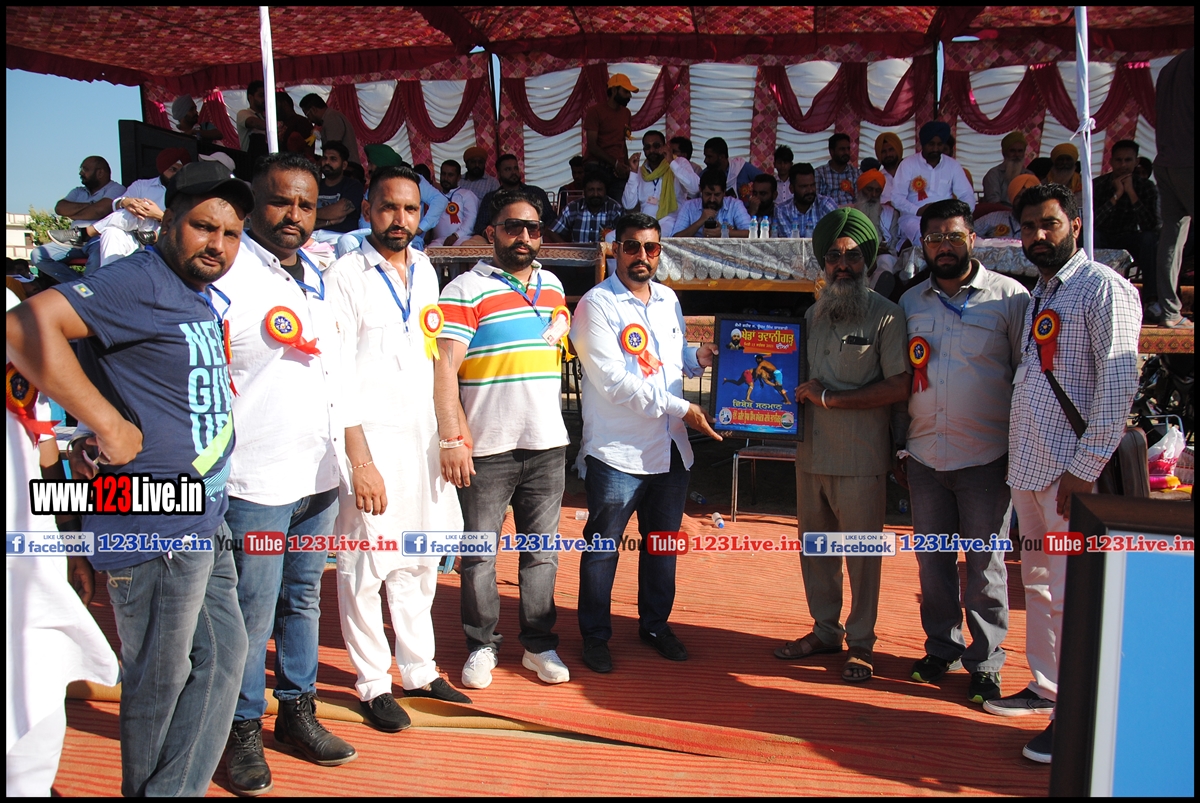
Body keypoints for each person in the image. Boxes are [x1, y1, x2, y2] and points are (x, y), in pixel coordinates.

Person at [7, 159, 255, 795]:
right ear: (167, 222)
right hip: (151, 519)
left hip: (201, 516)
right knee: (160, 682)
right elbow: (21, 326)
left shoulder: (189, 290)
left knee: (223, 662)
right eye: (203, 227)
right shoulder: (138, 279)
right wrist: (105, 423)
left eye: (230, 234)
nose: (217, 244)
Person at [209, 153, 356, 795]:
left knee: (302, 600)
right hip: (256, 480)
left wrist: (354, 457)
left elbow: (333, 371)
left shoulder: (317, 274)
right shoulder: (228, 273)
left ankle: (297, 712)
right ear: (253, 204)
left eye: (306, 204)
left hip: (317, 474)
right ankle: (240, 729)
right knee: (250, 611)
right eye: (280, 201)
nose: (294, 214)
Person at [985, 184, 1141, 766]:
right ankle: (1047, 687)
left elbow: (1118, 384)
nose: (1037, 236)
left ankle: (1076, 716)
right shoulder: (1042, 293)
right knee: (1040, 587)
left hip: (1072, 475)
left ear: (1075, 224)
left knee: (1074, 594)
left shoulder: (1103, 288)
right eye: (1028, 227)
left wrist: (1084, 468)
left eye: (1048, 224)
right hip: (1031, 468)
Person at [326, 164, 474, 736]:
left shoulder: (427, 270)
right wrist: (360, 461)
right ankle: (372, 682)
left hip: (421, 443)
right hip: (370, 445)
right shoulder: (345, 275)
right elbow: (336, 376)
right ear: (368, 210)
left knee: (419, 560)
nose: (400, 219)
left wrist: (449, 433)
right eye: (389, 207)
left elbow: (438, 362)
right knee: (365, 567)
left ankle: (418, 669)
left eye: (411, 209)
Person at [571, 212, 721, 673]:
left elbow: (668, 360)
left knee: (662, 546)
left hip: (669, 448)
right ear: (615, 250)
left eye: (651, 248)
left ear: (660, 253)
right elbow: (615, 382)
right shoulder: (596, 305)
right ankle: (595, 636)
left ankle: (655, 625)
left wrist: (698, 357)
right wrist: (683, 408)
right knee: (603, 548)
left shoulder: (668, 299)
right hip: (619, 452)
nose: (642, 256)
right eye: (632, 246)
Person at [435, 189, 572, 689]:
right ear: (491, 232)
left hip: (547, 444)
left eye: (534, 228)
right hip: (486, 448)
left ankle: (539, 645)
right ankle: (482, 645)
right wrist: (452, 437)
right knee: (479, 555)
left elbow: (556, 335)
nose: (525, 237)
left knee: (542, 552)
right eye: (514, 227)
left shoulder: (553, 285)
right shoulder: (463, 290)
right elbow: (444, 368)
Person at [896, 199, 1030, 705]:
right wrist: (900, 448)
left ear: (973, 239)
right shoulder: (911, 302)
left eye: (953, 236)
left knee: (985, 567)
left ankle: (986, 661)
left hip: (986, 459)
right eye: (934, 239)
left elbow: (1024, 375)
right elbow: (902, 379)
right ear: (924, 245)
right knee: (932, 565)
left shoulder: (1010, 298)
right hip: (925, 456)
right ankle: (941, 648)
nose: (944, 246)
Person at [775, 208, 910, 685]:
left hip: (860, 456)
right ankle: (825, 630)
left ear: (867, 261)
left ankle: (862, 643)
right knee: (816, 550)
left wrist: (832, 398)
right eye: (834, 256)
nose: (843, 265)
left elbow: (900, 385)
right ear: (824, 262)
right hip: (811, 454)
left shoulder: (887, 314)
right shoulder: (812, 314)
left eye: (853, 256)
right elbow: (793, 381)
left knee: (861, 555)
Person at [5, 289, 120, 797]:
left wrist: (71, 541)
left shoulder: (10, 311)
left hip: (28, 549)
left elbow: (41, 436)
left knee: (39, 689)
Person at [51, 148, 191, 271]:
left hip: (164, 237)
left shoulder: (188, 193)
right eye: (173, 169)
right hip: (134, 236)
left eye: (180, 170)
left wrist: (159, 215)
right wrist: (125, 202)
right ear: (163, 168)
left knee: (137, 211)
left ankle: (87, 233)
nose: (176, 174)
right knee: (112, 231)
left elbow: (188, 223)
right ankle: (108, 284)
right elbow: (116, 205)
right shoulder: (143, 186)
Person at [881, 120, 975, 248]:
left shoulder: (953, 165)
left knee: (961, 240)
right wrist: (918, 210)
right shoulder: (908, 164)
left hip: (946, 218)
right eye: (931, 144)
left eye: (939, 144)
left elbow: (966, 194)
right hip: (914, 218)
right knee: (929, 238)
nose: (935, 148)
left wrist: (959, 214)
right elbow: (896, 198)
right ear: (922, 144)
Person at [1152, 47, 1194, 329]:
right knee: (1173, 235)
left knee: (1172, 236)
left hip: (1166, 162)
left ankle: (1169, 311)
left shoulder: (1170, 67)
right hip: (1190, 161)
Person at [1093, 140, 1160, 294]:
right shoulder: (1098, 184)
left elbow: (1150, 225)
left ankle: (1151, 298)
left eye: (1128, 160)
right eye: (1119, 160)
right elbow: (1093, 222)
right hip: (1104, 236)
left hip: (1131, 237)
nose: (1123, 165)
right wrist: (1117, 195)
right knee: (1091, 236)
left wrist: (1131, 192)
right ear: (1111, 161)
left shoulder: (1146, 186)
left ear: (1136, 162)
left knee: (1150, 239)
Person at [31, 156, 124, 267]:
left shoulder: (116, 189)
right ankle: (74, 279)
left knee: (98, 257)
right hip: (73, 239)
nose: (81, 173)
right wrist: (92, 206)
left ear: (100, 173)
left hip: (98, 239)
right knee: (38, 255)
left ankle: (90, 280)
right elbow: (60, 208)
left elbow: (100, 210)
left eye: (85, 169)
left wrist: (73, 213)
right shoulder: (78, 191)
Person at [622, 129, 700, 236]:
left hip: (671, 220)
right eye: (647, 147)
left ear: (665, 146)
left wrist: (671, 162)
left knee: (655, 236)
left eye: (656, 146)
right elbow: (628, 204)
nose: (652, 150)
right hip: (645, 222)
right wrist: (633, 173)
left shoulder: (679, 162)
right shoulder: (640, 171)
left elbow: (695, 188)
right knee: (610, 237)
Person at [583, 73, 638, 199]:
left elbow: (622, 142)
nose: (629, 96)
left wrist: (625, 166)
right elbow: (592, 146)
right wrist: (616, 164)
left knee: (618, 206)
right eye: (626, 91)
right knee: (597, 204)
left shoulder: (626, 113)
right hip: (597, 167)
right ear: (614, 90)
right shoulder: (595, 111)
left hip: (617, 170)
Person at [671, 168, 752, 237]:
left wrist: (724, 232)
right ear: (700, 189)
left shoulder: (735, 205)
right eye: (708, 194)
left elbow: (751, 233)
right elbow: (675, 238)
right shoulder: (689, 206)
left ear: (724, 192)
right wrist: (700, 221)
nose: (712, 199)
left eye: (717, 195)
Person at [853, 169, 901, 283]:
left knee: (886, 261)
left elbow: (894, 245)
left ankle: (879, 287)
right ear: (860, 190)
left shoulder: (890, 214)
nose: (873, 195)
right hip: (856, 255)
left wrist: (883, 251)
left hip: (882, 258)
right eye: (869, 189)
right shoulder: (848, 213)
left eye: (877, 191)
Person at [550, 173, 624, 243]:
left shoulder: (615, 209)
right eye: (591, 190)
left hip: (606, 252)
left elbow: (625, 236)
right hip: (577, 252)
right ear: (584, 191)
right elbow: (552, 232)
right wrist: (567, 249)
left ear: (605, 191)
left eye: (599, 190)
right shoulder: (572, 208)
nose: (595, 194)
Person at [772, 163, 838, 238]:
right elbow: (790, 242)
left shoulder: (826, 204)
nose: (810, 190)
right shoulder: (782, 210)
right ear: (791, 189)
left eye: (812, 185)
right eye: (804, 186)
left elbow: (837, 235)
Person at [314, 142, 366, 237]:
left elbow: (338, 211)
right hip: (312, 236)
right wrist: (329, 222)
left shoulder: (353, 186)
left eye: (333, 159)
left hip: (341, 237)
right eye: (325, 158)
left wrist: (309, 213)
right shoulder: (314, 185)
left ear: (344, 165)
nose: (327, 162)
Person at [431, 159, 480, 247]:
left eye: (450, 175)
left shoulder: (467, 194)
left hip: (462, 239)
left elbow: (471, 219)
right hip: (439, 241)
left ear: (458, 177)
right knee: (427, 252)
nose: (446, 178)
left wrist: (456, 235)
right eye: (443, 174)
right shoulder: (435, 196)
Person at [299, 93, 360, 164]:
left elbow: (333, 149)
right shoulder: (330, 117)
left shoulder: (332, 118)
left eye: (308, 115)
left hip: (348, 168)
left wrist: (317, 165)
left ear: (313, 110)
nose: (309, 120)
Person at [976, 175, 1041, 238]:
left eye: (1027, 198)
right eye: (1019, 197)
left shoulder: (1042, 224)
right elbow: (971, 234)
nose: (1023, 201)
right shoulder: (993, 218)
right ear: (1013, 199)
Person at [982, 132, 1034, 206]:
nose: (1016, 155)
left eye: (1020, 151)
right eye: (1012, 151)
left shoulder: (1029, 175)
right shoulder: (994, 174)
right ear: (1004, 153)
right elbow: (994, 203)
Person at [815, 132, 860, 207]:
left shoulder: (856, 173)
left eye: (848, 149)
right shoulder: (819, 173)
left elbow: (860, 201)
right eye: (842, 149)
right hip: (829, 212)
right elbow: (816, 202)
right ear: (831, 152)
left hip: (852, 212)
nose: (846, 152)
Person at [276, 92, 316, 159]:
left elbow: (308, 149)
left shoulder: (302, 122)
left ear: (284, 103)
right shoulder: (279, 123)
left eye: (276, 104)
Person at [237, 80, 268, 159]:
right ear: (250, 97)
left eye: (266, 95)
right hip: (250, 161)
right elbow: (253, 122)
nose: (265, 99)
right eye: (261, 95)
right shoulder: (243, 113)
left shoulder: (266, 117)